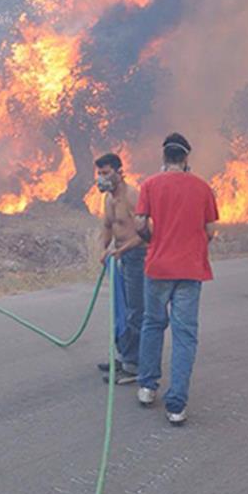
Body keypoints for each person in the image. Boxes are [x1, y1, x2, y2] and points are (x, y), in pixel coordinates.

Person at [133, 133, 219, 425]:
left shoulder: (149, 185)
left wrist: (153, 239)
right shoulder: (203, 188)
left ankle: (147, 386)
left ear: (164, 157)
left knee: (153, 324)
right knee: (184, 336)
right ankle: (176, 405)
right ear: (186, 159)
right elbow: (210, 231)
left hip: (157, 268)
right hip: (190, 270)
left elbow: (140, 224)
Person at [94, 153, 147, 385]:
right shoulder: (108, 199)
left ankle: (133, 364)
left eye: (106, 173)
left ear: (119, 171)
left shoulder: (133, 196)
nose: (102, 178)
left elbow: (147, 235)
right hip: (120, 258)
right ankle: (123, 355)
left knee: (135, 311)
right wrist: (102, 249)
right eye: (100, 173)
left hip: (137, 257)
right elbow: (107, 226)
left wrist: (122, 250)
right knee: (120, 311)